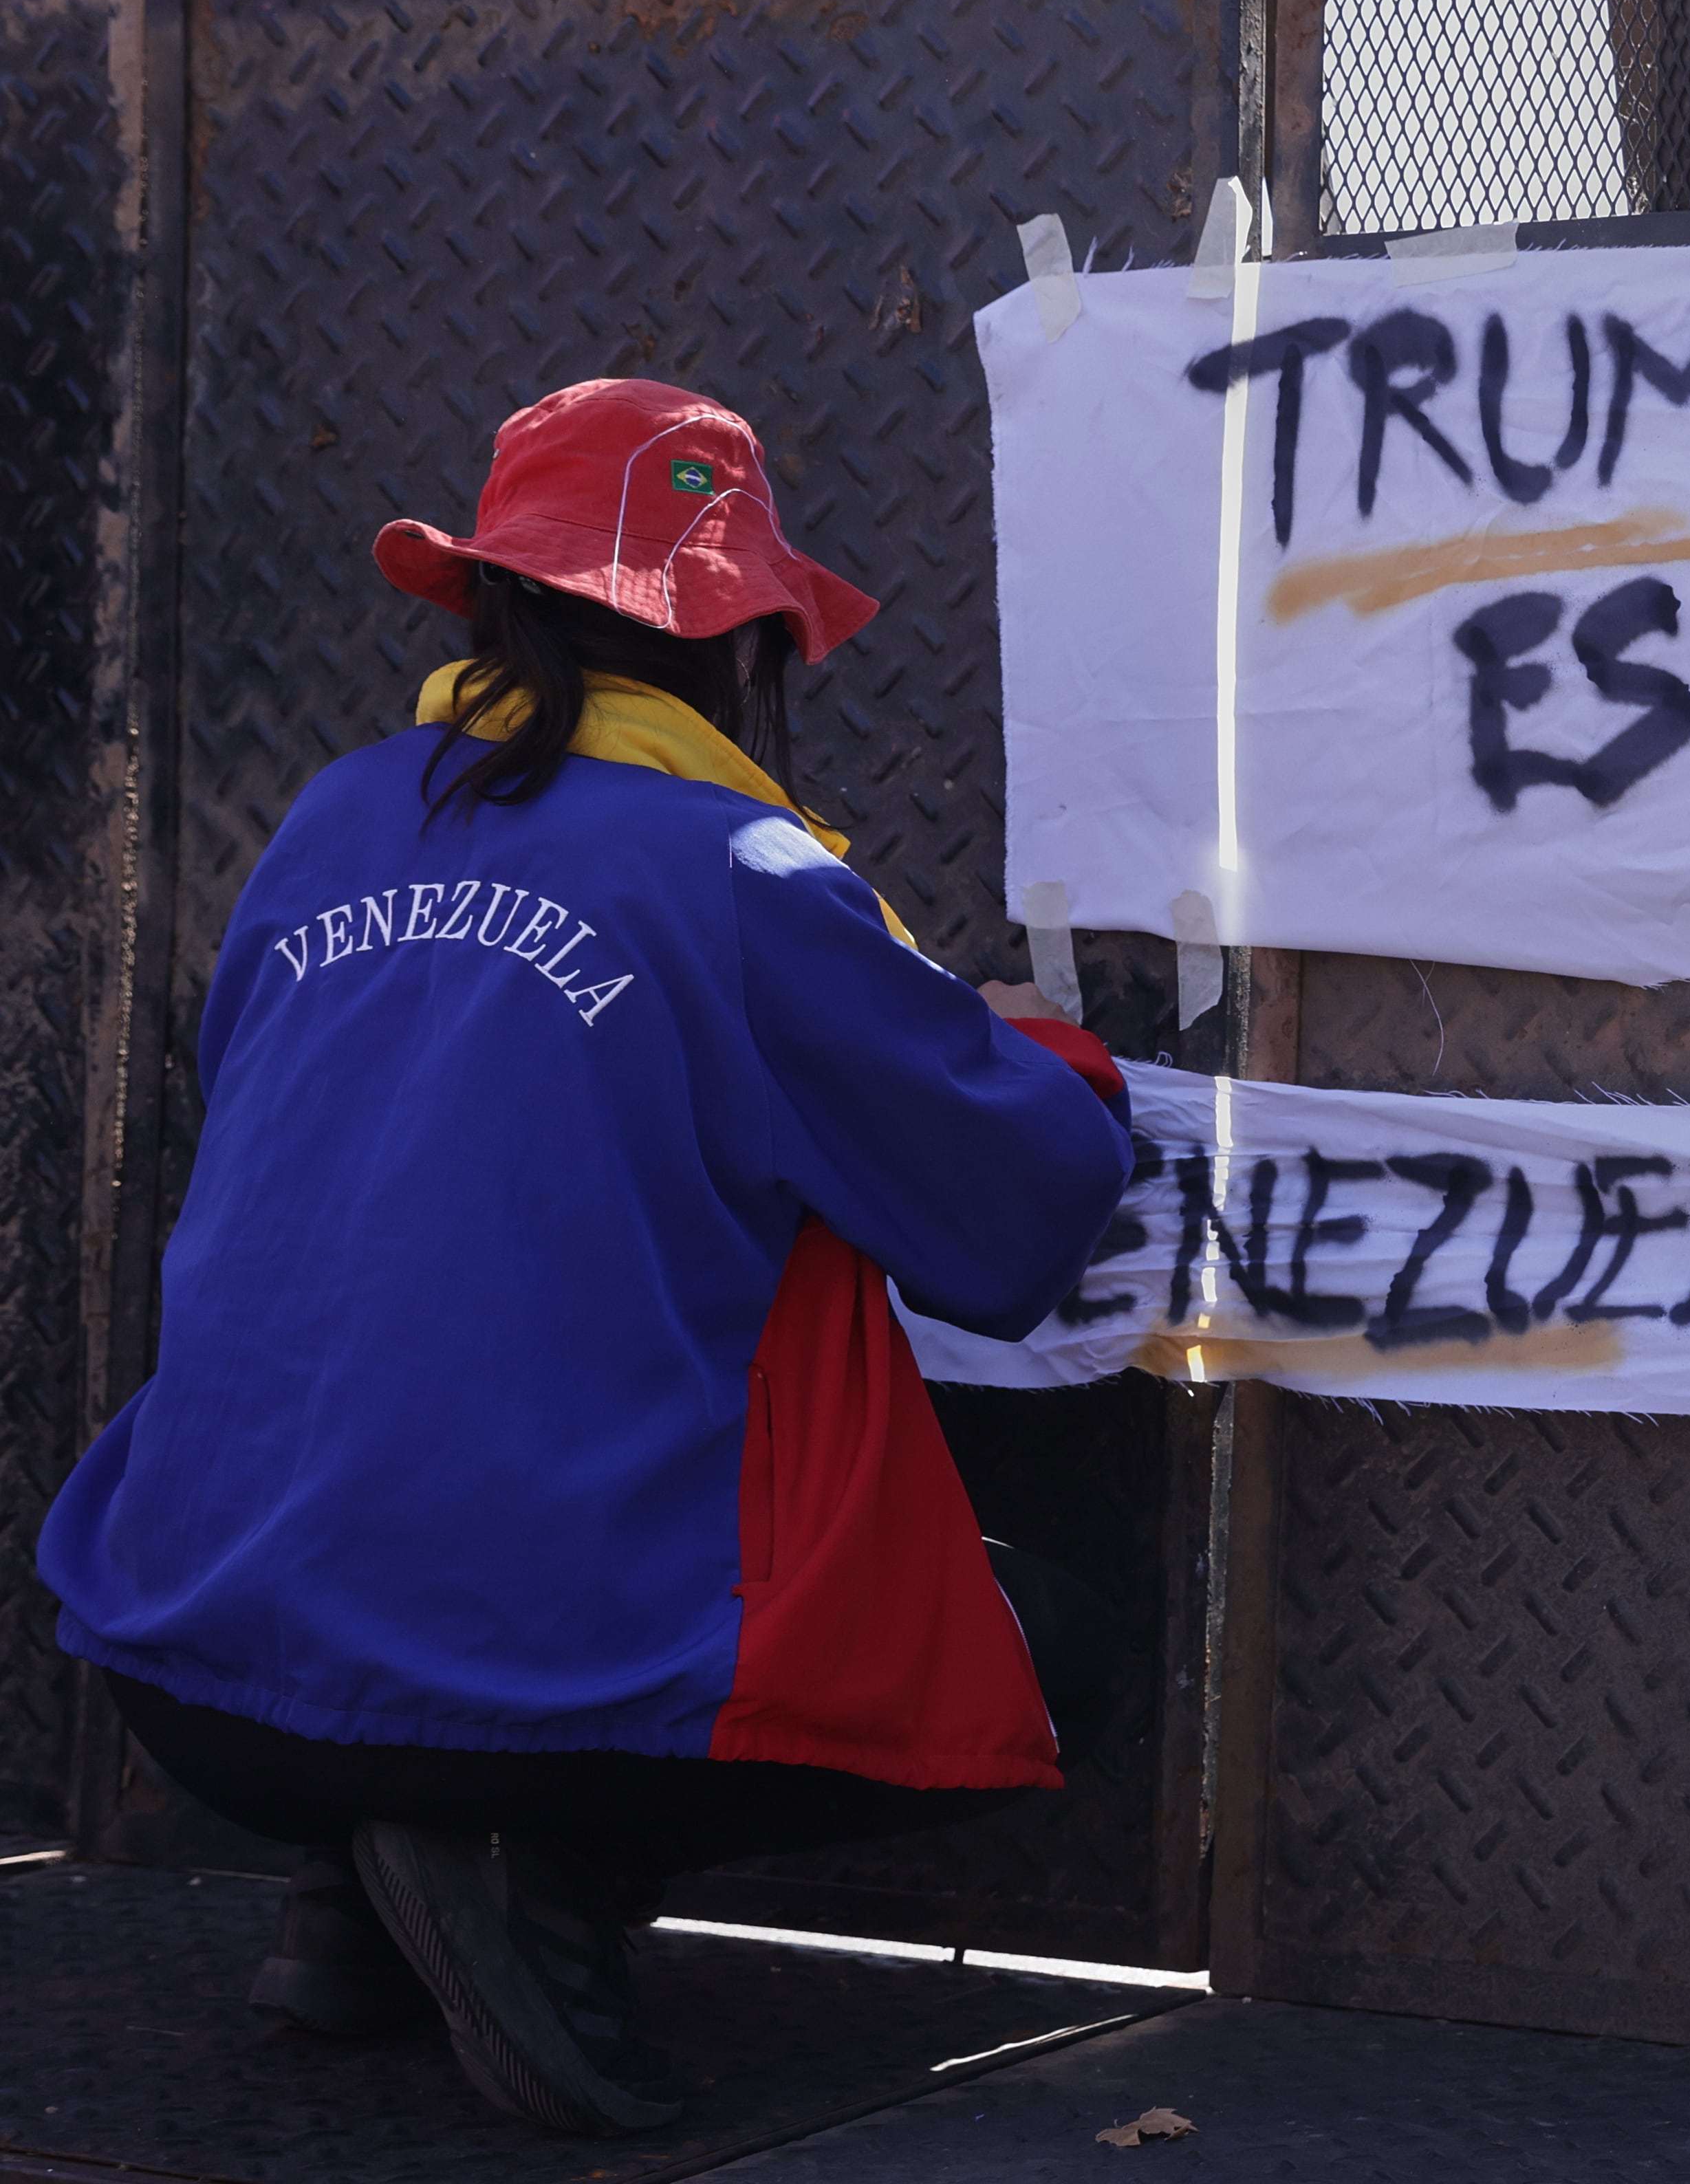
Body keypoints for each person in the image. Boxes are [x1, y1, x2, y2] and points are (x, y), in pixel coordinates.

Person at [36, 379, 1136, 2137]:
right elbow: (1012, 1222)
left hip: (192, 1675)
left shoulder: (331, 818)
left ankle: (357, 1895)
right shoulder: (744, 867)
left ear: (487, 596)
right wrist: (1034, 1053)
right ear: (743, 644)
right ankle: (522, 1857)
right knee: (1055, 1641)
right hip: (532, 1694)